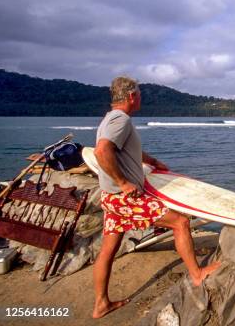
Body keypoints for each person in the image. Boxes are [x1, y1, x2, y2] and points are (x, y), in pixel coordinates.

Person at [92, 76, 220, 319]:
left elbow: (124, 149)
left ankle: (101, 304)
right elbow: (102, 150)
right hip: (123, 197)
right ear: (131, 97)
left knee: (109, 248)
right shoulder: (121, 119)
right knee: (180, 222)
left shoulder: (111, 118)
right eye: (139, 94)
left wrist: (150, 161)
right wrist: (124, 183)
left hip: (111, 198)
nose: (141, 98)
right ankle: (197, 274)